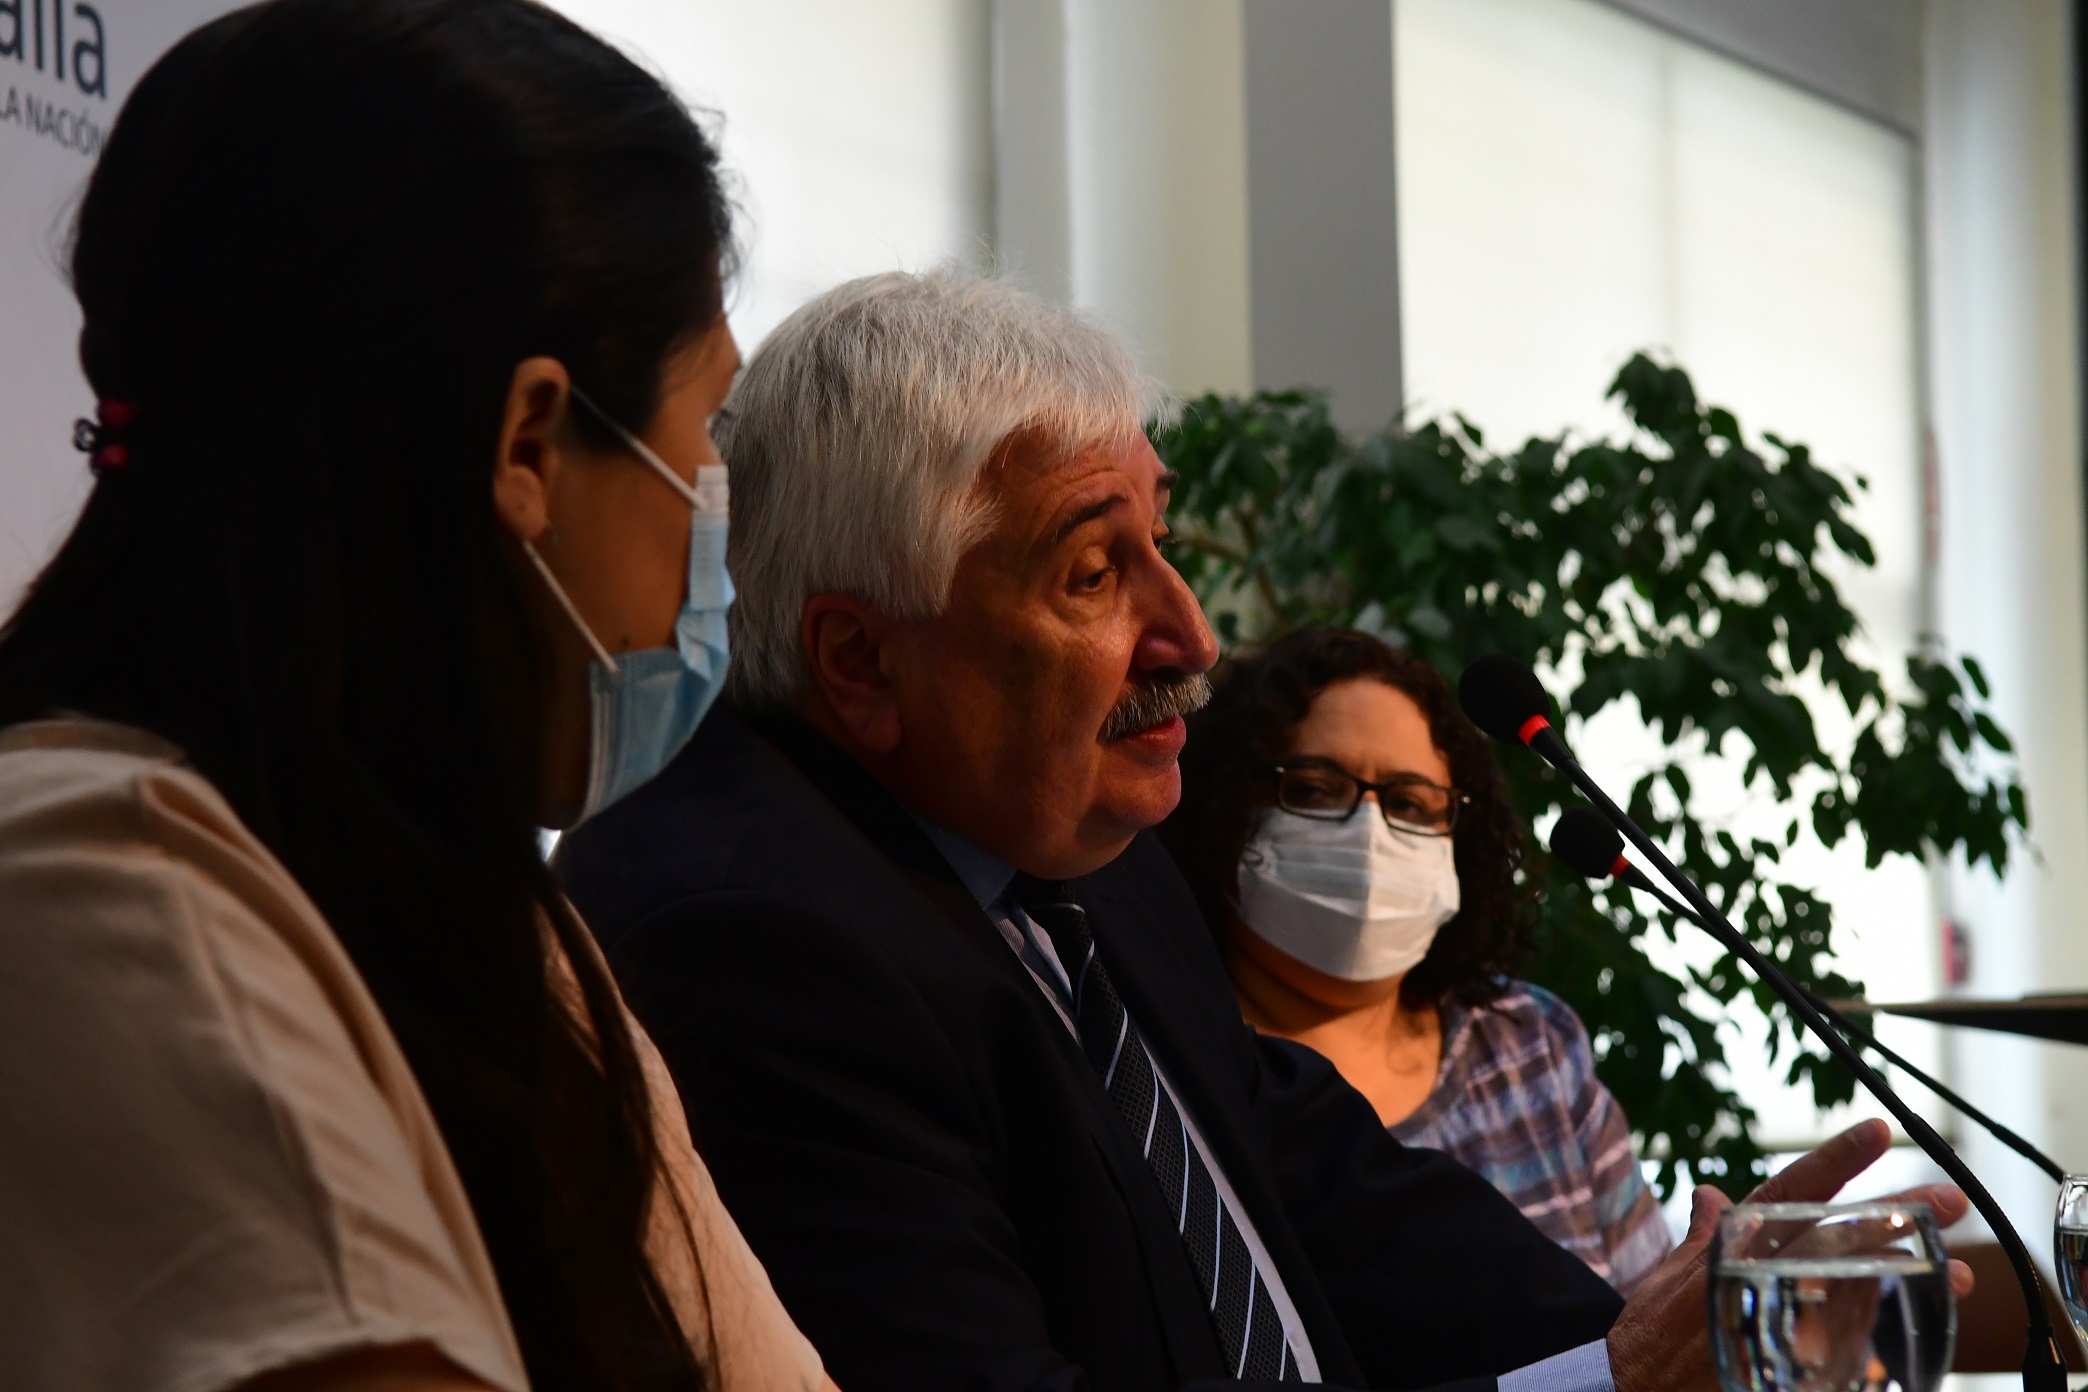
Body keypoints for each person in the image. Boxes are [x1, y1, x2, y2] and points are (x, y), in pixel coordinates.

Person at [555, 268, 1971, 1392]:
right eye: (1095, 571)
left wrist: (1659, 1328)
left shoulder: (1071, 850)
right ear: (860, 663)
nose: (1191, 634)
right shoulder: (757, 945)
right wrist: (1613, 1385)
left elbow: (1327, 1191)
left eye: (1160, 541)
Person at [0, 4, 828, 1391]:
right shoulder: (99, 892)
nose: (713, 517)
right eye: (709, 438)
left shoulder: (494, 923)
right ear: (529, 440)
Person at [1159, 627, 1671, 1294]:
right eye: (1315, 789)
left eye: (1408, 804)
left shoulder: (1525, 1043)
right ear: (1222, 805)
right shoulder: (1166, 1070)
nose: (1368, 834)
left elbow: (1657, 1318)